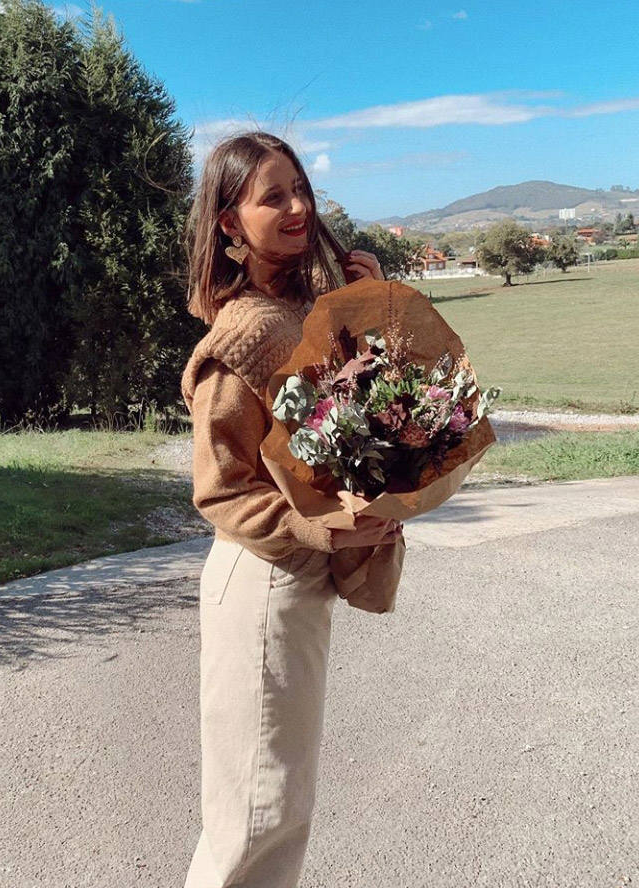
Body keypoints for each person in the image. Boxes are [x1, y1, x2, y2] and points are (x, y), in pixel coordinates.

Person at [179, 130, 404, 888]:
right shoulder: (242, 335)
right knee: (256, 821)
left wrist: (371, 307)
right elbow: (220, 488)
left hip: (296, 580)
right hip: (263, 579)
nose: (299, 205)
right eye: (273, 195)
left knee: (277, 811)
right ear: (230, 223)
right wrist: (315, 527)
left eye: (301, 188)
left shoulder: (307, 312)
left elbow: (366, 416)